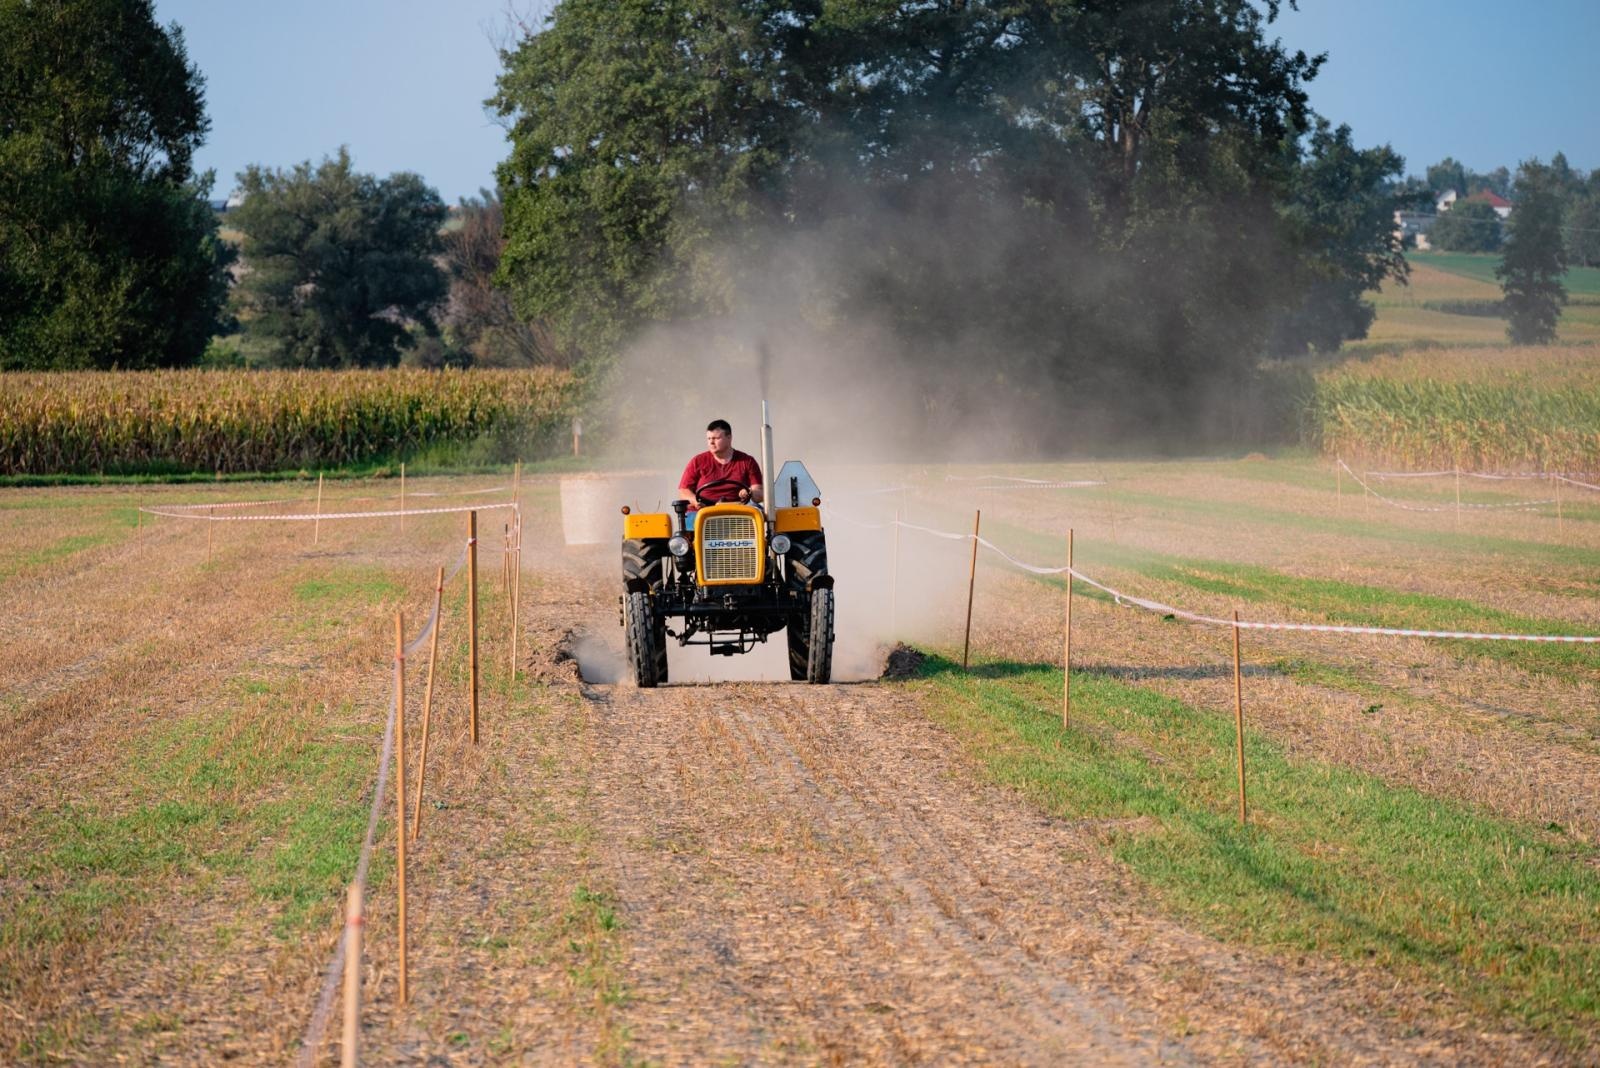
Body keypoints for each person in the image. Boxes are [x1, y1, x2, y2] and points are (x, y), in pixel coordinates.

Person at [677, 419, 763, 520]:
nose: (711, 442)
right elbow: (683, 491)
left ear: (729, 437)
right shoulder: (697, 461)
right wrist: (695, 501)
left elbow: (759, 493)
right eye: (709, 438)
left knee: (757, 515)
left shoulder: (747, 461)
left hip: (737, 512)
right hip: (701, 512)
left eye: (716, 438)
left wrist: (750, 492)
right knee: (690, 522)